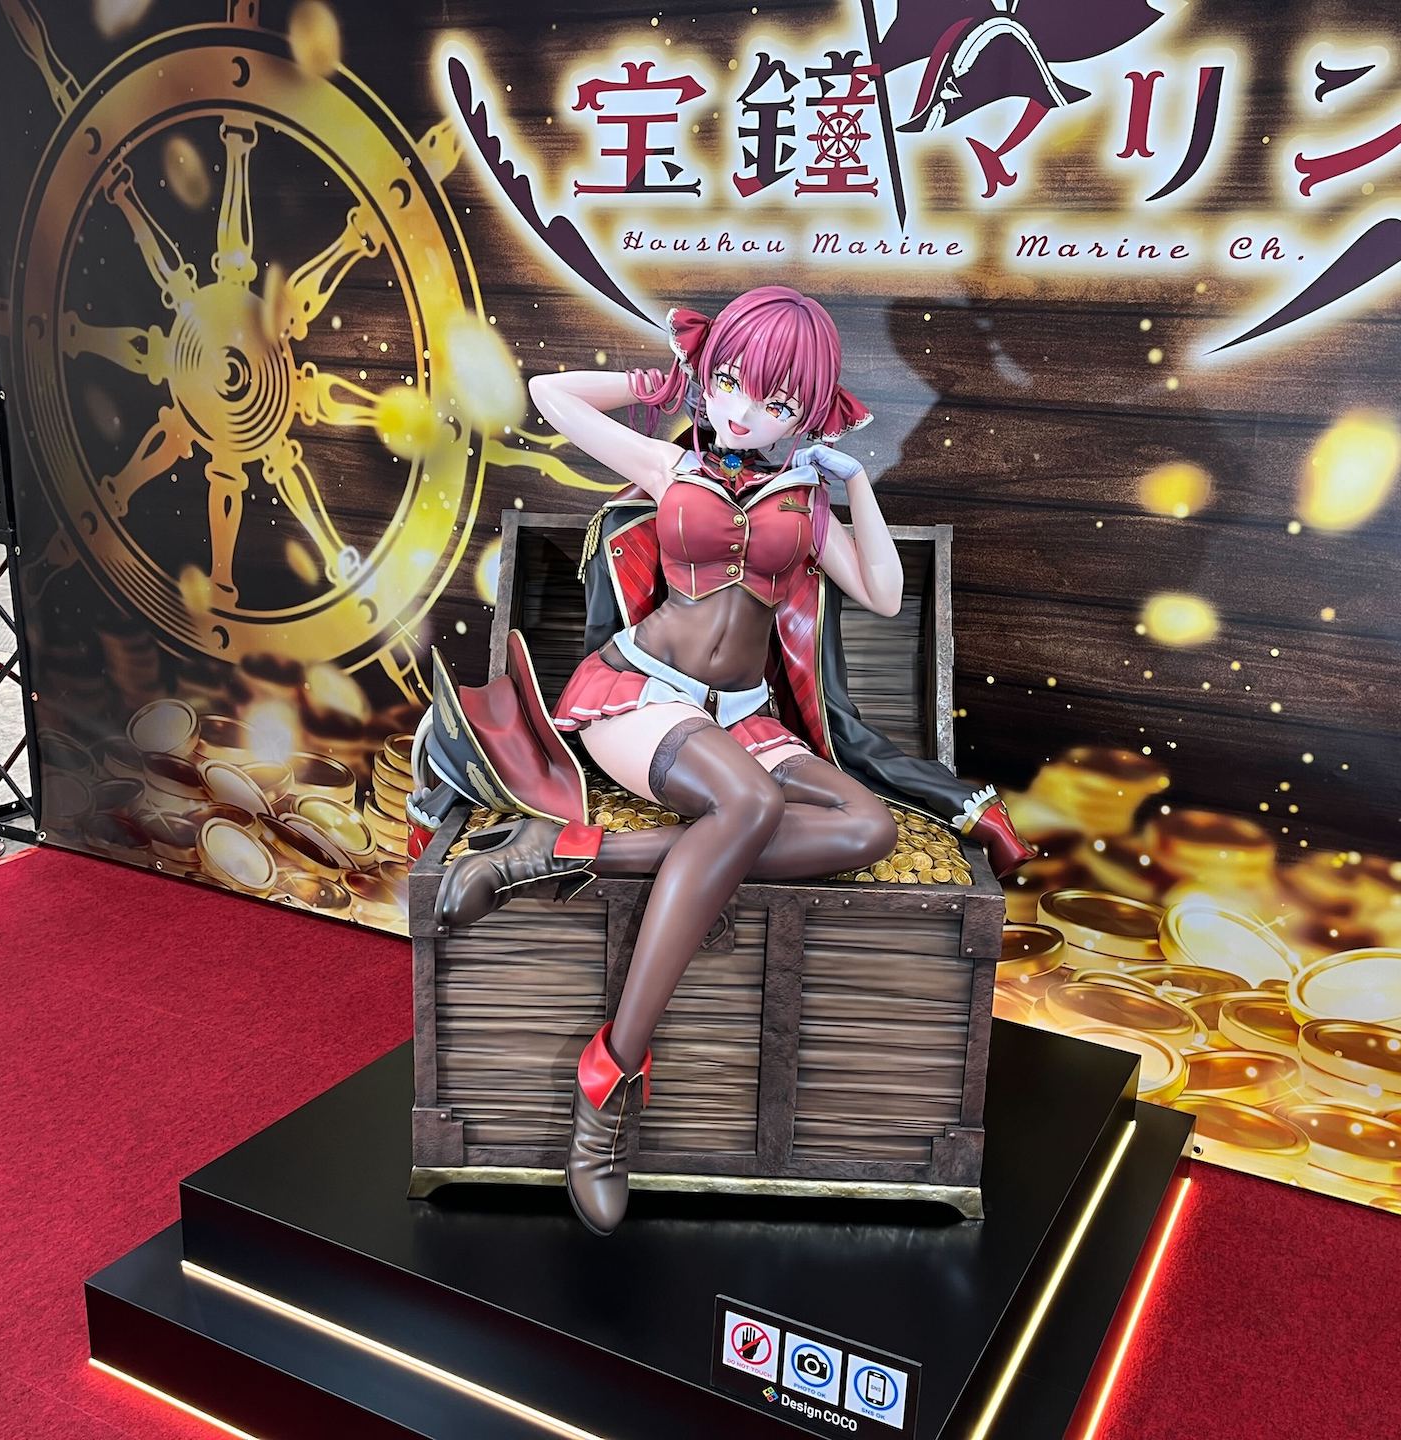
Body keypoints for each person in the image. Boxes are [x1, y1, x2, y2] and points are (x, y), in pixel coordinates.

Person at [412, 287, 1033, 1234]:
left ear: (808, 414)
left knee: (867, 829)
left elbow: (880, 591)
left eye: (775, 401)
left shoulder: (807, 504)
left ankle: (563, 853)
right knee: (747, 809)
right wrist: (654, 383)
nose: (742, 413)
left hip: (743, 721)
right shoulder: (670, 465)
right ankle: (610, 1080)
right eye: (731, 383)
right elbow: (549, 396)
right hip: (639, 696)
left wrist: (854, 487)